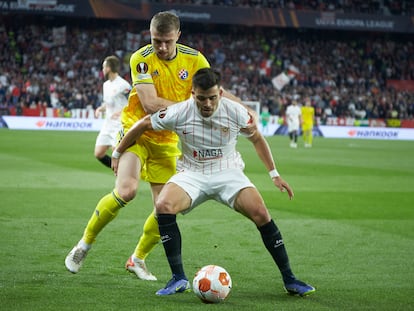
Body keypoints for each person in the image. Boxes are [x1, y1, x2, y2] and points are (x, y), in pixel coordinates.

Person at [64, 11, 241, 281]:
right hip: (137, 130)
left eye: (167, 41)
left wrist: (242, 109)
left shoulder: (195, 60)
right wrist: (193, 110)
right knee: (127, 190)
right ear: (150, 35)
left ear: (178, 36)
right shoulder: (141, 58)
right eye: (156, 40)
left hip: (168, 139)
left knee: (166, 208)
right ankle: (83, 245)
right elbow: (150, 104)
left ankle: (137, 259)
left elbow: (217, 91)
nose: (161, 47)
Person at [112, 68, 315, 297]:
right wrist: (118, 153)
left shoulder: (237, 111)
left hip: (228, 172)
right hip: (192, 172)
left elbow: (257, 138)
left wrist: (274, 174)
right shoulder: (179, 112)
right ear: (192, 94)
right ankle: (178, 279)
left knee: (261, 212)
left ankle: (290, 279)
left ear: (220, 92)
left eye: (212, 97)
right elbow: (142, 125)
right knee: (163, 206)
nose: (207, 103)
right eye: (201, 98)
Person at [94, 55, 132, 168]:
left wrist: (121, 111)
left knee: (117, 156)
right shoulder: (106, 85)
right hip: (107, 125)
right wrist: (101, 108)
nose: (102, 70)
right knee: (98, 153)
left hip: (119, 126)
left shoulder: (123, 85)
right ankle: (120, 170)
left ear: (109, 68)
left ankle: (122, 176)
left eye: (104, 67)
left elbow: (133, 103)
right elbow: (108, 103)